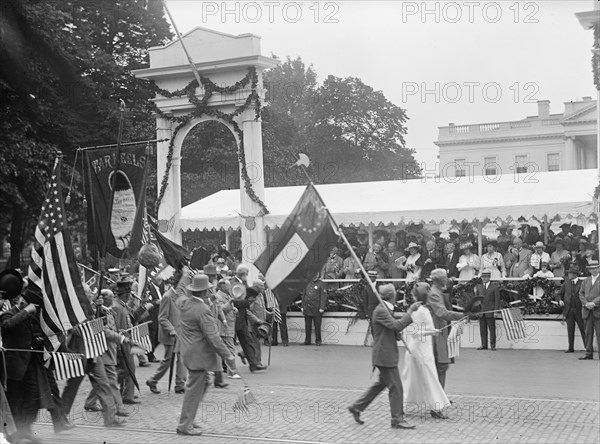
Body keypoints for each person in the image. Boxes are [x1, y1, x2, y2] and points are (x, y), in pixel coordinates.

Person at [348, 284, 421, 429]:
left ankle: (357, 407)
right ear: (392, 296)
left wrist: (395, 334)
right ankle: (397, 419)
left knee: (381, 384)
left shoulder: (385, 309)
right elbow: (396, 326)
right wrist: (410, 311)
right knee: (396, 387)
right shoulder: (381, 310)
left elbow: (391, 329)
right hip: (384, 355)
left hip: (385, 354)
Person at [176, 273, 237, 436]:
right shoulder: (202, 309)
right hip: (199, 355)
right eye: (209, 290)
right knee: (195, 389)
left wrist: (183, 276)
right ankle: (185, 424)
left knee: (202, 384)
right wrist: (228, 356)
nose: (211, 292)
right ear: (204, 292)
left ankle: (189, 418)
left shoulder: (185, 303)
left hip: (190, 353)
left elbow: (179, 293)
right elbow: (213, 337)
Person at [402, 282, 449, 419]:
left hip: (421, 349)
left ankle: (404, 406)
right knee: (429, 378)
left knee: (413, 379)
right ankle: (436, 408)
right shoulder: (419, 310)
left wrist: (431, 332)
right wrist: (432, 331)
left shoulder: (422, 309)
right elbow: (414, 332)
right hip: (419, 350)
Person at [146, 270, 187, 395]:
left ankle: (180, 384)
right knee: (167, 361)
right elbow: (162, 317)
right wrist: (172, 330)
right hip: (170, 334)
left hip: (180, 333)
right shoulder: (167, 297)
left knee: (181, 359)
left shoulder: (181, 296)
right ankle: (153, 380)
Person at [427, 269, 466, 389]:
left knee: (442, 366)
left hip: (440, 332)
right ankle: (437, 399)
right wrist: (462, 315)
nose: (447, 280)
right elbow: (441, 312)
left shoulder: (438, 293)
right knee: (440, 366)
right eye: (445, 278)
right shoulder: (434, 293)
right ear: (440, 280)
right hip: (435, 334)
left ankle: (440, 397)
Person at [214, 279, 241, 378]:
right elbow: (221, 310)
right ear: (222, 286)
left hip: (228, 326)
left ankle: (216, 370)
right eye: (228, 286)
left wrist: (234, 309)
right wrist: (230, 303)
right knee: (230, 349)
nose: (230, 288)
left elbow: (226, 309)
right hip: (224, 327)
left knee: (222, 350)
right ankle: (232, 372)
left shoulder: (226, 295)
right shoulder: (219, 296)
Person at [556, 265, 586, 353]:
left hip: (580, 309)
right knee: (570, 329)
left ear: (575, 274)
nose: (568, 275)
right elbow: (559, 294)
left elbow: (586, 295)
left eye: (570, 273)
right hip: (569, 309)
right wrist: (560, 300)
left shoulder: (582, 283)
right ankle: (570, 347)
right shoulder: (566, 283)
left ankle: (587, 348)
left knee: (583, 329)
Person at [578, 261, 600, 360]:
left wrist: (594, 303)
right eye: (592, 268)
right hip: (587, 310)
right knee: (588, 332)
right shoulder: (586, 280)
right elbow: (581, 293)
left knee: (599, 333)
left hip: (597, 310)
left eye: (596, 268)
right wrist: (586, 303)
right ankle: (588, 353)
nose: (594, 270)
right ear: (589, 270)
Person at [475, 269, 501, 351]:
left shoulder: (494, 287)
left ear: (489, 277)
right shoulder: (479, 287)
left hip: (490, 311)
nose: (484, 278)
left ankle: (493, 345)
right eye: (483, 277)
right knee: (482, 329)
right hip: (481, 312)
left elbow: (497, 300)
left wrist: (496, 311)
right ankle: (484, 344)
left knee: (491, 329)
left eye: (486, 277)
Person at [302, 273, 327, 345]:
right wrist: (302, 306)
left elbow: (323, 296)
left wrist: (322, 307)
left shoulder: (321, 284)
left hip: (316, 308)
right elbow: (304, 295)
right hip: (307, 307)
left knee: (317, 326)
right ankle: (307, 341)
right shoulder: (308, 283)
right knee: (307, 326)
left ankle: (318, 341)